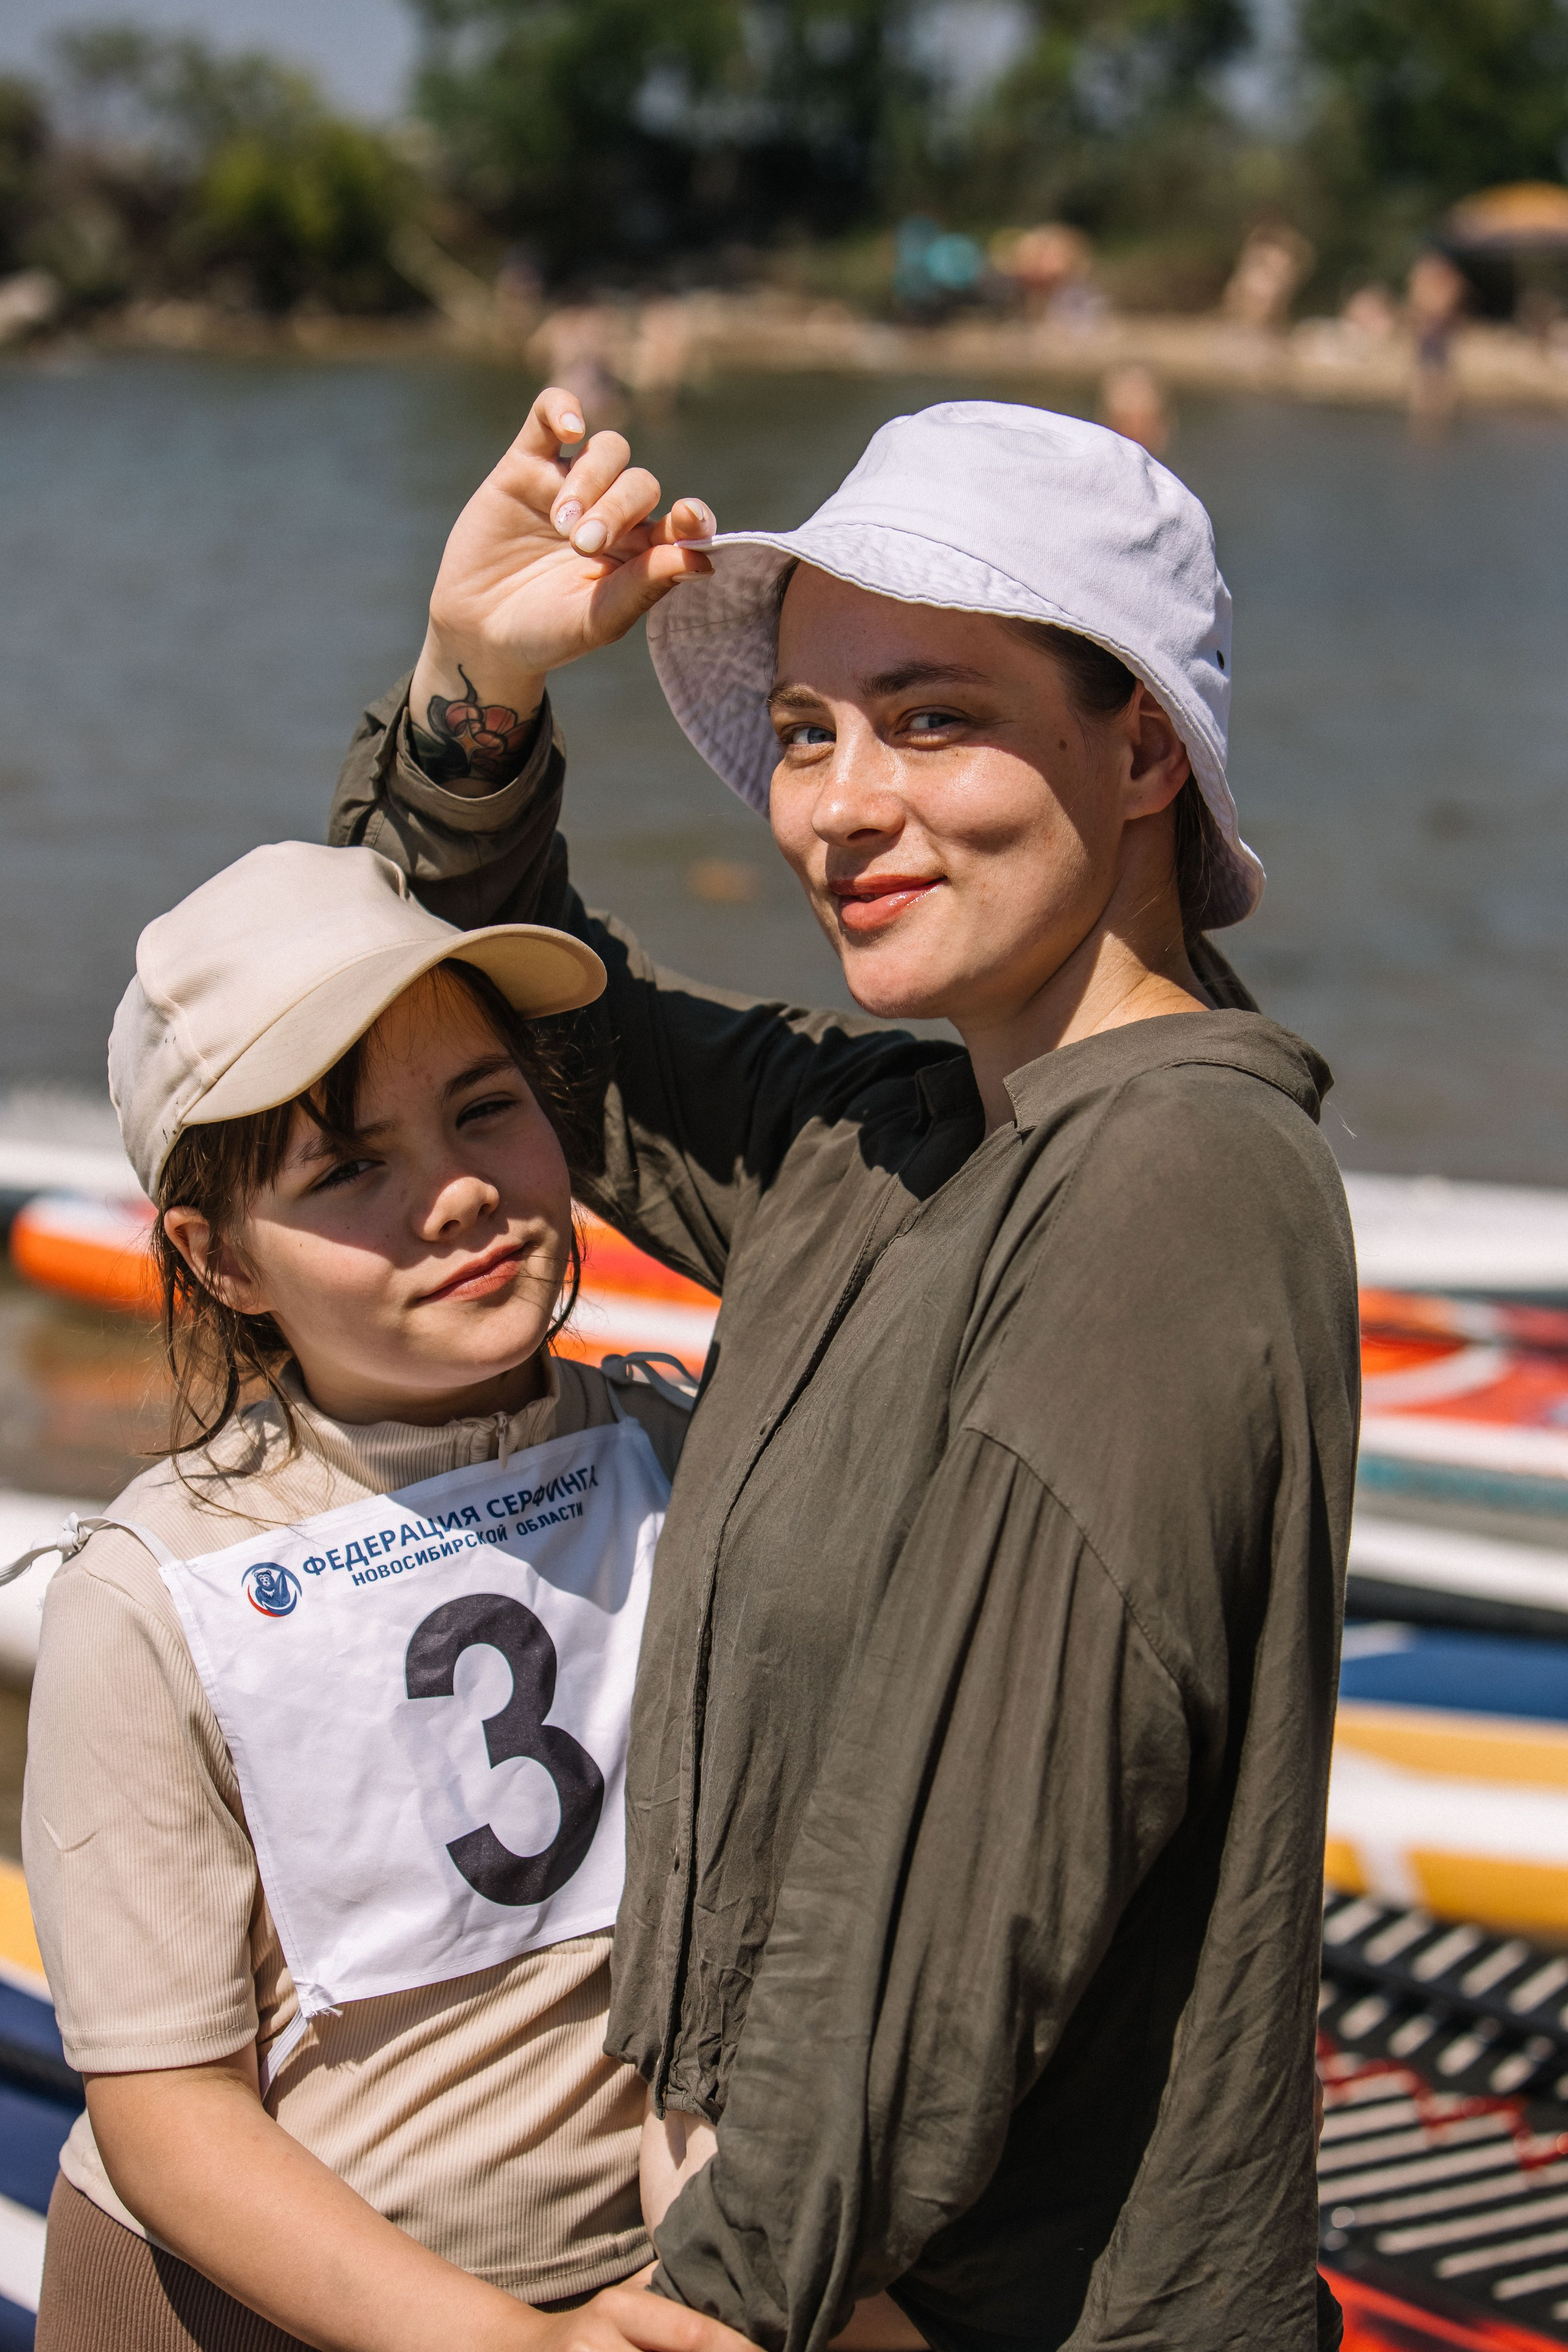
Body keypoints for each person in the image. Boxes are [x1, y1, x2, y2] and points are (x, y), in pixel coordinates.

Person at [330, 390, 1359, 2351]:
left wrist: (720, 2294)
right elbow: (502, 1024)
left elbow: (975, 1858)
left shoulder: (1177, 1177)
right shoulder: (881, 1134)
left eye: (933, 715)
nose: (837, 807)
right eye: (807, 732)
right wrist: (474, 691)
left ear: (1141, 744)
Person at [17, 842, 759, 2352]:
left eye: (487, 1108)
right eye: (349, 1167)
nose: (464, 1190)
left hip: (639, 2291)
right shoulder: (159, 1600)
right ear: (216, 1261)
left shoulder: (689, 1457)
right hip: (246, 2309)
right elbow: (171, 2117)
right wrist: (509, 2346)